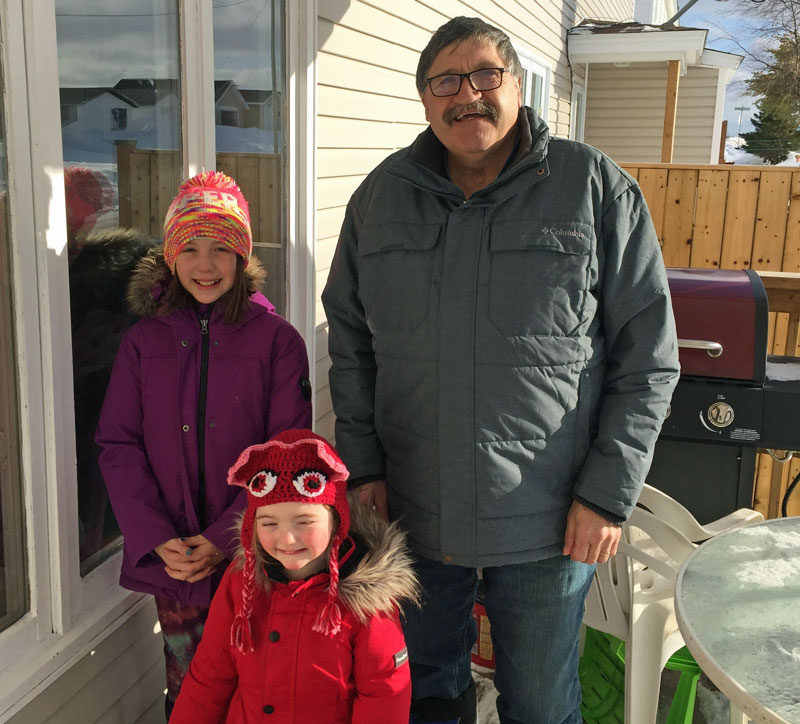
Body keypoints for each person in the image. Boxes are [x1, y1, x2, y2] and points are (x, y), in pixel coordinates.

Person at [321, 16, 680, 724]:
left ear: (518, 85)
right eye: (446, 81)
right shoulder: (379, 199)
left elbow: (648, 359)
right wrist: (362, 473)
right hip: (414, 514)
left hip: (551, 519)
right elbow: (352, 347)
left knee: (542, 705)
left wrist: (608, 495)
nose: (468, 95)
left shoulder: (592, 187)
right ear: (425, 100)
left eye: (486, 75)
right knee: (422, 694)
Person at [96, 171, 312, 719]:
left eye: (221, 248)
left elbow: (286, 455)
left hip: (256, 555)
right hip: (177, 562)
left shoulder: (278, 342)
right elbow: (118, 443)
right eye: (189, 248)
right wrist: (156, 537)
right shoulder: (143, 343)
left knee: (259, 682)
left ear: (242, 255)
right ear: (170, 256)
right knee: (191, 683)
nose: (206, 264)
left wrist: (226, 540)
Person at [169, 428, 419, 723]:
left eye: (303, 521)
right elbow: (209, 677)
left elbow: (384, 695)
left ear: (335, 520)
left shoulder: (366, 598)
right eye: (269, 523)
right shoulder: (241, 583)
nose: (287, 539)